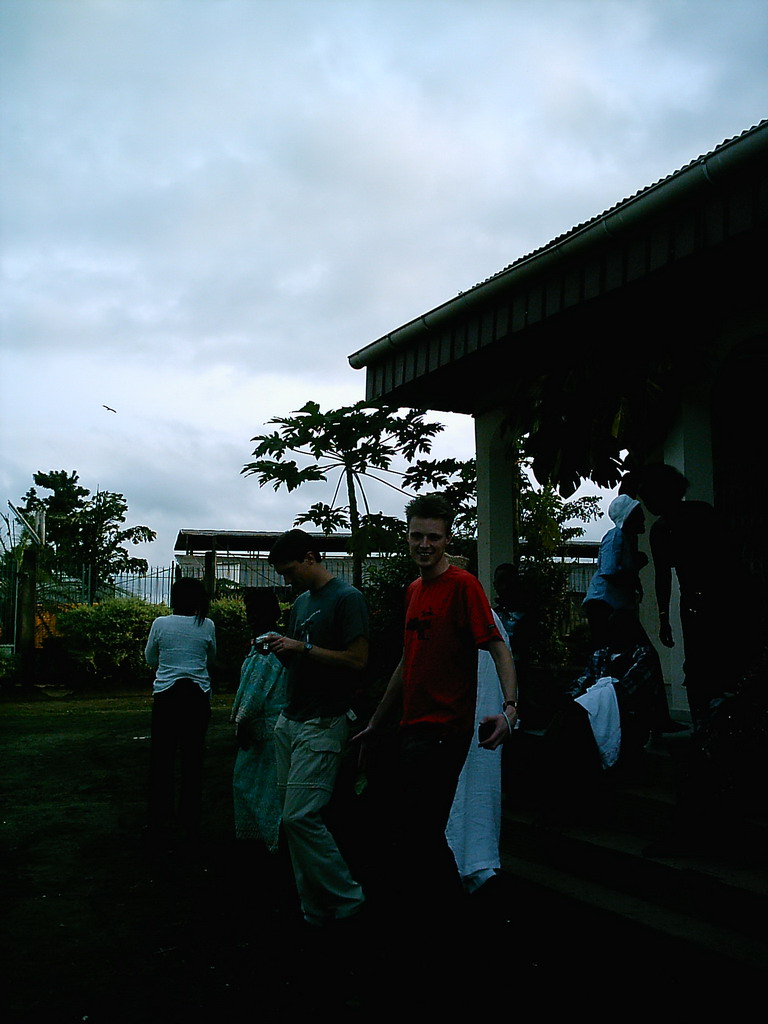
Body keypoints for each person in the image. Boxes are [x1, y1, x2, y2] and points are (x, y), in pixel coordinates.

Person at [355, 493, 517, 921]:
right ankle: (434, 914)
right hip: (411, 726)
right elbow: (407, 662)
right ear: (406, 537)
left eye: (433, 537)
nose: (423, 544)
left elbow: (497, 647)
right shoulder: (413, 591)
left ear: (447, 540)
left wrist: (511, 708)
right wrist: (377, 722)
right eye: (416, 536)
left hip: (446, 729)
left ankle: (447, 919)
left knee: (418, 828)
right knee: (410, 828)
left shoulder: (463, 586)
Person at [265, 529, 368, 927]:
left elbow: (358, 661)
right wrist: (280, 647)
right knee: (291, 820)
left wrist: (302, 648)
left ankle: (348, 899)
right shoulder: (302, 603)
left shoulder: (347, 598)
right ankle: (314, 907)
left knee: (300, 817)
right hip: (290, 719)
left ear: (311, 558)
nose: (286, 580)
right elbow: (301, 658)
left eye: (289, 571)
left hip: (324, 721)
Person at [635, 464, 723, 728]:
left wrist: (664, 617)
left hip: (708, 600)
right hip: (698, 601)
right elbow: (663, 576)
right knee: (698, 664)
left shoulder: (675, 524)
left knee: (703, 663)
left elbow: (664, 576)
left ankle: (707, 724)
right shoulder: (677, 523)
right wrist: (664, 616)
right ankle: (705, 725)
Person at [445, 608, 512, 895]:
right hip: (462, 714)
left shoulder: (478, 616)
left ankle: (470, 860)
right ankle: (469, 859)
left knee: (469, 789)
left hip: (470, 715)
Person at [145, 577, 217, 841]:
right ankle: (190, 818)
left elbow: (150, 657)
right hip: (197, 695)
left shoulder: (161, 623)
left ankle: (159, 818)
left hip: (167, 695)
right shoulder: (206, 625)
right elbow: (212, 658)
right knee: (193, 759)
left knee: (162, 760)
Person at [230, 589, 286, 851]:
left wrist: (242, 721)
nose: (249, 617)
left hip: (264, 727)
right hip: (272, 725)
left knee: (252, 785)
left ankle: (264, 840)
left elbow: (254, 689)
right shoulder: (276, 642)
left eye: (253, 611)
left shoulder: (266, 646)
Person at [583, 494, 647, 650]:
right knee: (606, 650)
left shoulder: (627, 538)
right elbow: (609, 571)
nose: (643, 516)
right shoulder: (615, 536)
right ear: (629, 517)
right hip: (603, 603)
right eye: (637, 512)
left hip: (611, 605)